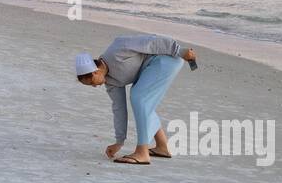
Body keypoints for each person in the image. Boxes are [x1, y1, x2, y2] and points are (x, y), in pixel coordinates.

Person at [74, 35, 198, 165]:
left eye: (92, 82)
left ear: (95, 71)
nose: (94, 86)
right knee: (143, 102)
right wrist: (119, 142)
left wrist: (179, 50)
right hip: (150, 68)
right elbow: (119, 109)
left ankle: (142, 152)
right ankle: (162, 147)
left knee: (139, 97)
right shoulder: (110, 82)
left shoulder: (118, 48)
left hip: (167, 59)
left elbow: (151, 42)